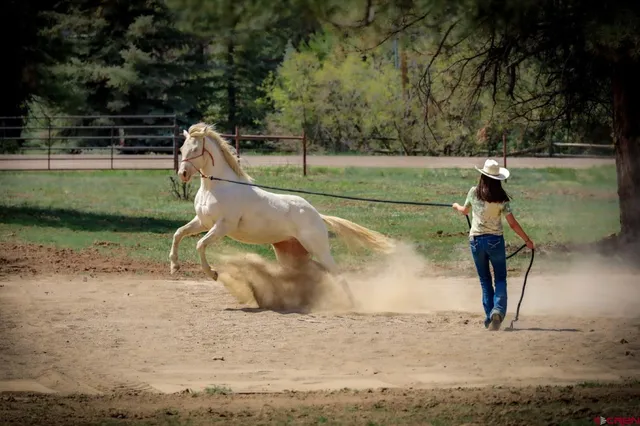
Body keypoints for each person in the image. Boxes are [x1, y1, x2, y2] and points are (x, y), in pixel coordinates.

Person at [452, 159, 535, 331]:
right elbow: (512, 224)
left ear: (482, 175)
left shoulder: (473, 192)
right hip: (495, 241)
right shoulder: (501, 199)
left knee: (485, 280)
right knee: (500, 278)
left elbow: (464, 211)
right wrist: (527, 240)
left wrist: (456, 206)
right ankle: (497, 311)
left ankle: (490, 317)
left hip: (476, 241)